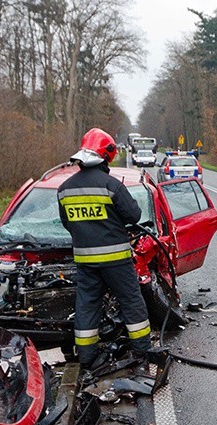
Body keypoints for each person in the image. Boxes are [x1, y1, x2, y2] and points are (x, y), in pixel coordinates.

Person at [57, 128, 151, 371]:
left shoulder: (64, 189)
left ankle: (87, 357)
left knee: (87, 305)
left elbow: (68, 223)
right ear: (105, 157)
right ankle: (142, 350)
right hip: (117, 261)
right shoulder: (111, 186)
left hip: (85, 261)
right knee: (130, 301)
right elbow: (134, 215)